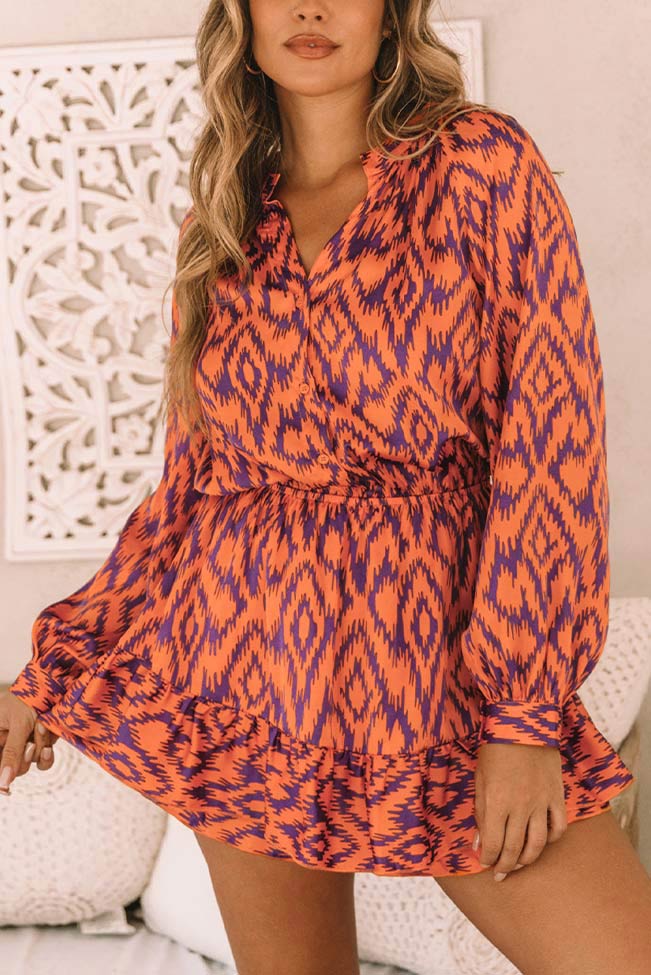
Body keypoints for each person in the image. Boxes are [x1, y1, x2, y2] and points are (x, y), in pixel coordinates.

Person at [2, 1, 651, 972]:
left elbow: (551, 439)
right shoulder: (224, 217)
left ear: (392, 12)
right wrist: (54, 670)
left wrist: (522, 717)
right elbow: (192, 495)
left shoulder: (479, 167)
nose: (310, 6)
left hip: (444, 681)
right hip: (247, 676)